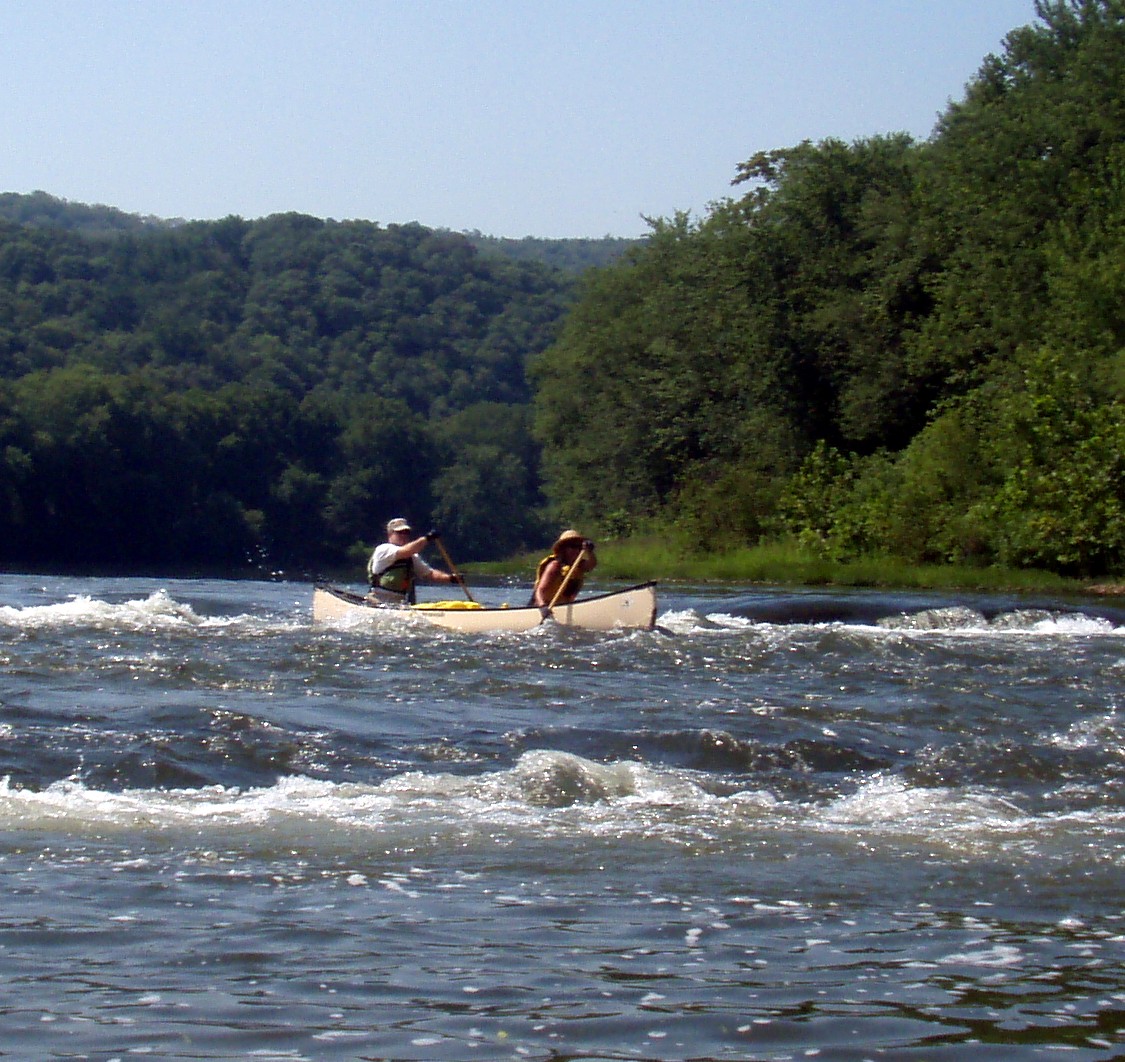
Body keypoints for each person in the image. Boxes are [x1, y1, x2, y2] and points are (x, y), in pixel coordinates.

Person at [366, 517, 460, 605]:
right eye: (400, 532)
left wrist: (451, 578)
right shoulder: (384, 549)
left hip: (399, 601)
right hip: (378, 598)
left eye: (406, 532)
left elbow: (429, 574)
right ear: (390, 534)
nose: (404, 535)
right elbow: (406, 551)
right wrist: (427, 538)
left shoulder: (412, 556)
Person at [531, 529, 597, 608]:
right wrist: (543, 606)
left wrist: (590, 551)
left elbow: (591, 564)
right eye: (572, 547)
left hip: (562, 606)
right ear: (564, 549)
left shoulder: (578, 566)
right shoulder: (554, 566)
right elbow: (540, 591)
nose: (576, 550)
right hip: (543, 607)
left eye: (579, 547)